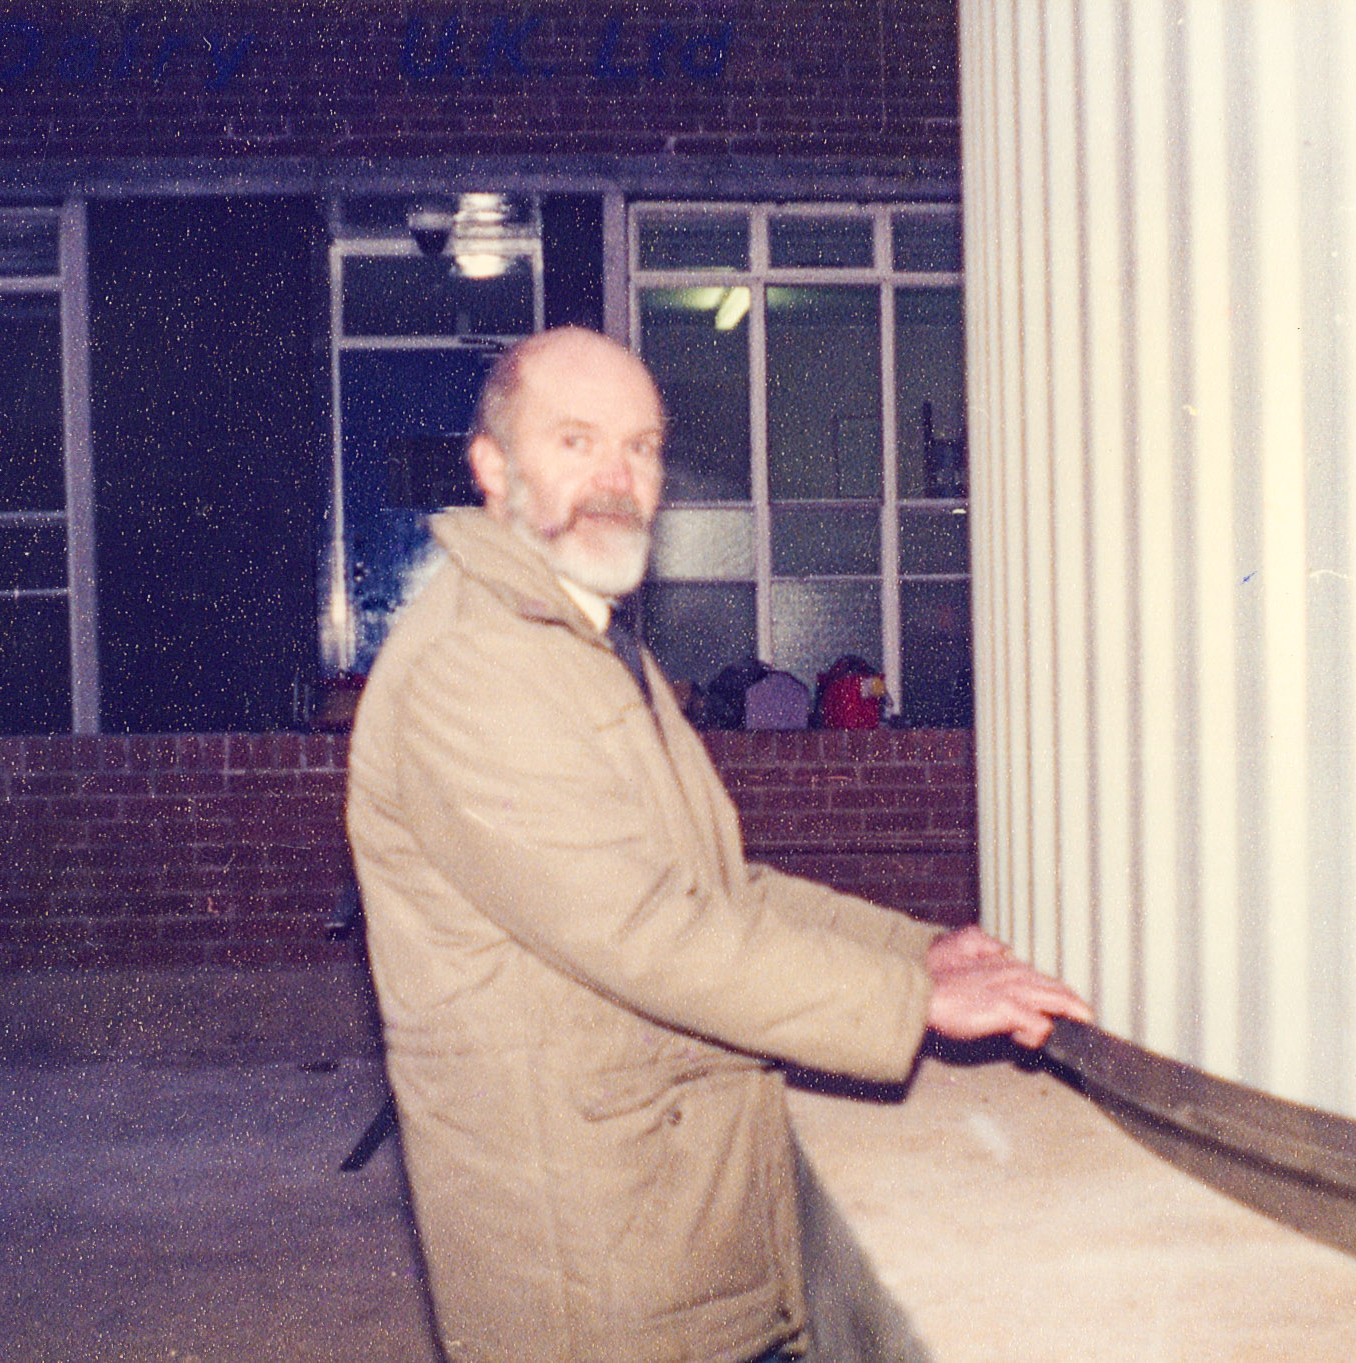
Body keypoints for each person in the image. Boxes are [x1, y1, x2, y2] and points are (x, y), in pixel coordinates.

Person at [345, 326, 1090, 1363]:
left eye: (641, 447)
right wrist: (909, 1001)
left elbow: (715, 888)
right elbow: (646, 934)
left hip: (661, 1204)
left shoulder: (579, 638)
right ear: (490, 468)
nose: (616, 479)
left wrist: (911, 950)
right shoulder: (477, 670)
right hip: (593, 1251)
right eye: (576, 441)